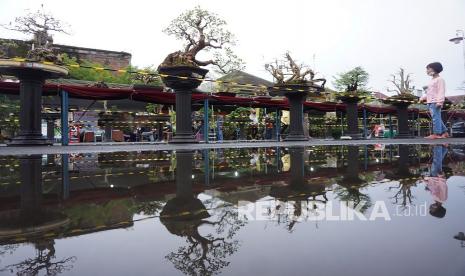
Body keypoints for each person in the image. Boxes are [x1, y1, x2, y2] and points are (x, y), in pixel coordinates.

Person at [419, 62, 448, 139]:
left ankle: (437, 134)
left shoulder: (440, 79)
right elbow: (430, 92)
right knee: (437, 117)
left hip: (435, 102)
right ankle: (444, 132)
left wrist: (440, 102)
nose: (427, 71)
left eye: (428, 68)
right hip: (430, 102)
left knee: (435, 118)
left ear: (434, 69)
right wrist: (423, 98)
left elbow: (441, 91)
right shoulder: (432, 80)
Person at [424, 145, 448, 218]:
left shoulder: (435, 199)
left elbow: (433, 187)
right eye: (432, 209)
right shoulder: (442, 199)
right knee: (436, 161)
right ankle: (438, 145)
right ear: (438, 209)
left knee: (438, 161)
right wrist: (441, 177)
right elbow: (443, 187)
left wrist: (426, 182)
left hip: (433, 177)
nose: (430, 207)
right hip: (437, 176)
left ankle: (444, 148)